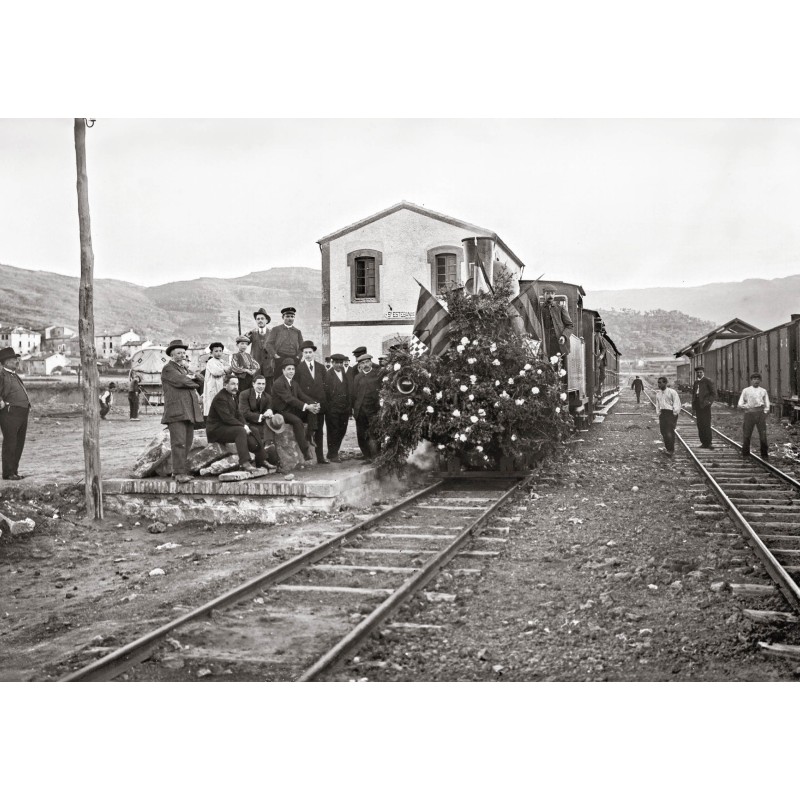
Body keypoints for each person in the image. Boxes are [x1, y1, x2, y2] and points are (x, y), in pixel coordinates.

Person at [206, 376, 271, 472]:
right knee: (240, 431)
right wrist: (243, 426)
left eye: (237, 384)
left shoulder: (233, 396)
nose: (235, 387)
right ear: (225, 385)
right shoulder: (220, 398)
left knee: (254, 429)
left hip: (226, 427)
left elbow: (239, 415)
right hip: (216, 430)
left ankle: (261, 460)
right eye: (232, 384)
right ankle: (244, 462)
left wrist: (246, 425)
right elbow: (227, 418)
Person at [160, 339, 204, 483]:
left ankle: (179, 471)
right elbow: (181, 381)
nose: (182, 355)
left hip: (188, 412)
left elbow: (201, 380)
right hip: (176, 412)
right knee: (178, 443)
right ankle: (179, 473)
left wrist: (191, 376)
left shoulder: (183, 369)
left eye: (184, 353)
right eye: (179, 353)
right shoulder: (168, 369)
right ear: (172, 355)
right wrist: (190, 379)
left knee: (187, 442)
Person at [271, 357, 319, 461]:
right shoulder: (279, 383)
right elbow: (289, 399)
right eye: (289, 369)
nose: (291, 371)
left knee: (313, 411)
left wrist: (314, 404)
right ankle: (305, 451)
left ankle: (310, 435)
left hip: (292, 409)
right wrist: (307, 406)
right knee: (297, 421)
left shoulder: (294, 383)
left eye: (293, 369)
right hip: (282, 411)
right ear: (283, 370)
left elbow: (302, 396)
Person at [0, 347, 31, 480]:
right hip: (10, 413)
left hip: (22, 413)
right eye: (13, 359)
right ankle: (7, 473)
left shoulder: (13, 374)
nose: (16, 361)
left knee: (19, 443)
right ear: (5, 362)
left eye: (16, 359)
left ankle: (14, 471)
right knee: (10, 443)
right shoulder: (1, 375)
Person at [296, 340, 328, 463]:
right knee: (308, 430)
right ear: (303, 354)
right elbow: (298, 388)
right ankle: (307, 457)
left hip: (319, 404)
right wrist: (308, 404)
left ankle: (320, 457)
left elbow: (325, 386)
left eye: (310, 352)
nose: (308, 354)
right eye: (305, 352)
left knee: (319, 431)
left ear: (314, 353)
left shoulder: (320, 367)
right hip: (307, 405)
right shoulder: (299, 368)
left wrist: (321, 403)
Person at [352, 353, 383, 461]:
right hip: (360, 411)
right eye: (362, 363)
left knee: (374, 433)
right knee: (361, 434)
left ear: (371, 362)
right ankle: (367, 456)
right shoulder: (357, 377)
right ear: (359, 365)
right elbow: (354, 394)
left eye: (367, 362)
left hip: (374, 410)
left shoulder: (378, 375)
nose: (365, 365)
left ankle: (376, 455)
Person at [324, 353, 351, 462]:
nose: (339, 365)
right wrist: (329, 408)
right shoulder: (328, 375)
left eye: (341, 363)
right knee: (333, 431)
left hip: (344, 408)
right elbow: (326, 393)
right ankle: (333, 454)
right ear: (332, 363)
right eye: (337, 363)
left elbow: (348, 389)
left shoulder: (344, 373)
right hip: (333, 409)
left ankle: (334, 452)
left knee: (342, 430)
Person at [738, 372, 770, 460]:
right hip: (749, 414)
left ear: (760, 381)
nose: (756, 381)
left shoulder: (763, 391)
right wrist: (747, 407)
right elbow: (740, 403)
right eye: (754, 379)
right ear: (751, 380)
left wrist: (764, 413)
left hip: (760, 414)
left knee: (763, 435)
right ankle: (745, 454)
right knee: (747, 434)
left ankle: (764, 455)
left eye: (758, 379)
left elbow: (767, 404)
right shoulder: (746, 390)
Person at [266, 307, 304, 378]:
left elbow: (302, 346)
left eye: (292, 316)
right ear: (283, 317)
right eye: (287, 316)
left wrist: (298, 357)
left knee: (295, 380)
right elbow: (268, 344)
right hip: (280, 359)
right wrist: (275, 356)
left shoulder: (297, 331)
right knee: (279, 379)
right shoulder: (276, 329)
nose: (290, 318)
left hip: (294, 359)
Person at [541, 285, 574, 361]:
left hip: (560, 344)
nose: (550, 296)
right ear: (544, 295)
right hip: (546, 345)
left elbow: (570, 325)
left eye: (552, 293)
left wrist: (564, 336)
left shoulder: (560, 308)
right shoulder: (540, 309)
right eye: (548, 293)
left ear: (554, 295)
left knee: (561, 370)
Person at [238, 374, 273, 442]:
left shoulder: (267, 397)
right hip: (247, 422)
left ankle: (268, 445)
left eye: (263, 384)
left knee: (269, 426)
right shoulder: (244, 394)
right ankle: (267, 444)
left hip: (260, 423)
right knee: (257, 431)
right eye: (259, 383)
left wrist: (269, 411)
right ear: (253, 384)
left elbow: (268, 408)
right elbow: (244, 413)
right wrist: (262, 416)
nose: (261, 386)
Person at [246, 308, 274, 392]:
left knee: (269, 391)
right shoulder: (252, 333)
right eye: (258, 319)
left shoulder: (272, 333)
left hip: (269, 368)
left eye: (262, 318)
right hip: (255, 368)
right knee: (255, 391)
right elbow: (243, 344)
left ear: (266, 320)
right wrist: (244, 337)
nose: (260, 321)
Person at [654, 376, 681, 457]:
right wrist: (658, 413)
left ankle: (671, 450)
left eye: (660, 382)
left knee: (669, 432)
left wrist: (674, 413)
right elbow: (657, 404)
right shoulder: (658, 394)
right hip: (663, 414)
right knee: (663, 432)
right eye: (658, 383)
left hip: (671, 413)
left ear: (665, 383)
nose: (659, 384)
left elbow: (677, 403)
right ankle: (667, 448)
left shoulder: (672, 392)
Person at [691, 365, 717, 449]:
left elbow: (713, 393)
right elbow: (694, 395)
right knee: (700, 424)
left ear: (703, 373)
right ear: (696, 373)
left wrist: (709, 402)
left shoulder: (708, 381)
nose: (699, 374)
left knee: (706, 424)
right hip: (698, 405)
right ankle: (703, 443)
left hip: (705, 406)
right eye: (698, 372)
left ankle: (709, 443)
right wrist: (693, 407)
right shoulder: (696, 382)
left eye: (700, 372)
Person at [202, 342, 228, 417]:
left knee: (220, 404)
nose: (218, 353)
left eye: (220, 351)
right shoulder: (210, 362)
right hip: (212, 387)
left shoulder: (222, 361)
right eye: (216, 351)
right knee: (213, 404)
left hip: (220, 385)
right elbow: (216, 372)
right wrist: (225, 370)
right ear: (211, 352)